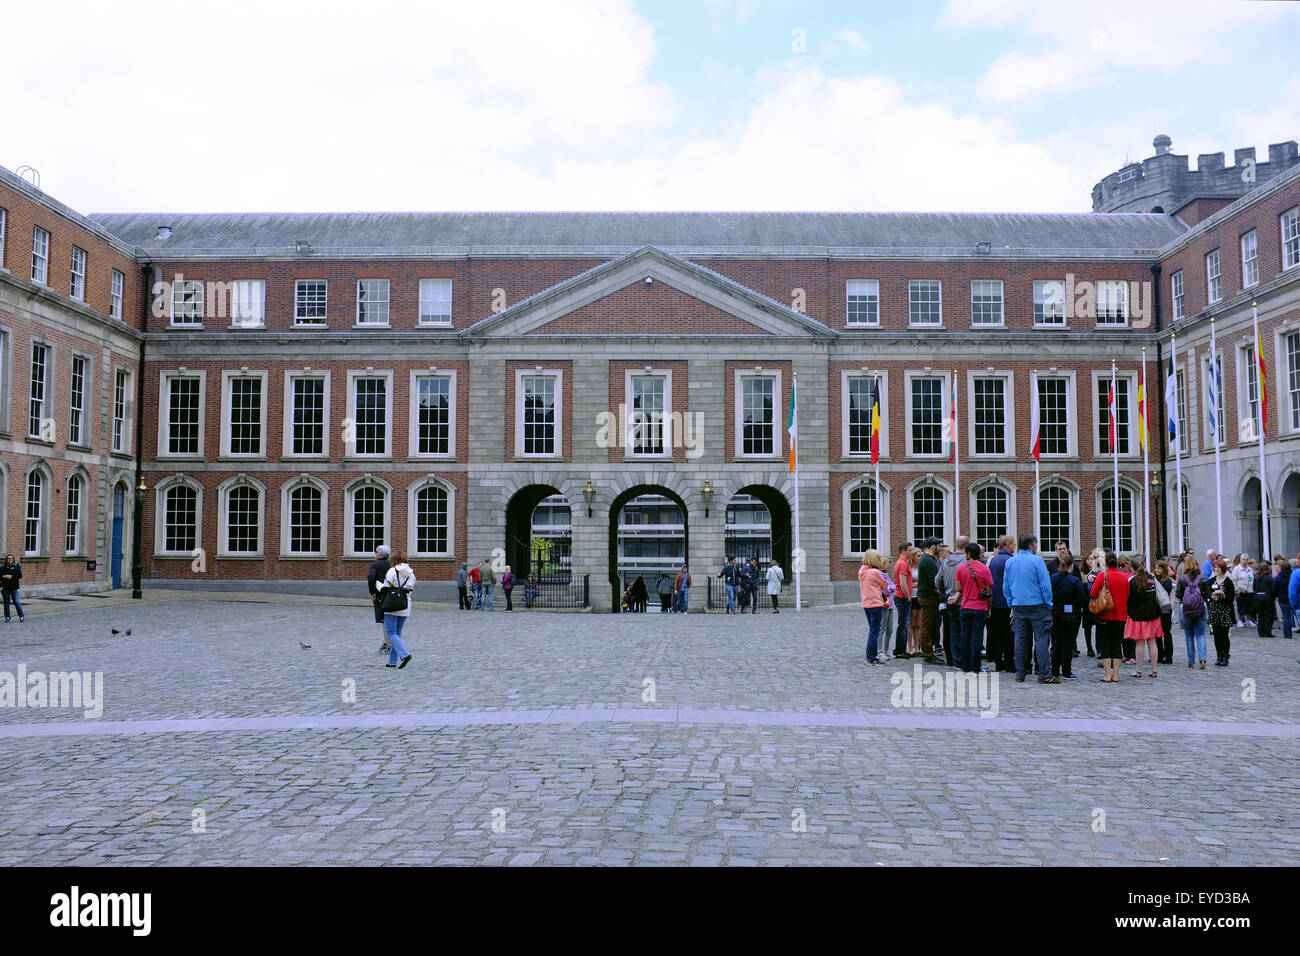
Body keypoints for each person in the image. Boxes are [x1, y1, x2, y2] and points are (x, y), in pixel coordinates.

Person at [1004, 533, 1055, 683]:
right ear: (1031, 546)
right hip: (1037, 605)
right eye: (1036, 544)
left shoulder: (1010, 562)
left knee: (1020, 640)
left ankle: (1020, 673)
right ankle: (1044, 674)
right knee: (1041, 639)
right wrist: (1048, 603)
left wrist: (1011, 602)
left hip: (1018, 605)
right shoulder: (1037, 561)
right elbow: (1045, 586)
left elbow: (1006, 586)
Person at [1090, 551, 1131, 683]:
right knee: (1117, 645)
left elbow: (1092, 593)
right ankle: (1116, 675)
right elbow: (1128, 596)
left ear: (1105, 563)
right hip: (1120, 616)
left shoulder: (1102, 575)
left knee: (1105, 644)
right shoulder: (1124, 577)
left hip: (1105, 615)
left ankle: (1107, 674)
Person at [953, 541, 993, 672]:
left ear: (969, 554)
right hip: (980, 607)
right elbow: (988, 591)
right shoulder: (985, 569)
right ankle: (975, 666)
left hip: (965, 606)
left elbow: (958, 588)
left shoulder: (961, 568)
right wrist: (989, 608)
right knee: (977, 638)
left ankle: (965, 665)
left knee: (965, 636)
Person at [1050, 554, 1087, 680]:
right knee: (1068, 643)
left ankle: (1054, 669)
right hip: (1071, 615)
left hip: (1055, 613)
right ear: (1071, 566)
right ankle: (1066, 670)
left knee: (1056, 643)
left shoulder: (1053, 578)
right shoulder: (1075, 581)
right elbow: (1081, 598)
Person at [1125, 557, 1162, 678]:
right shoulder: (1151, 578)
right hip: (1152, 614)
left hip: (1137, 615)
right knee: (1152, 642)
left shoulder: (1132, 581)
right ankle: (1154, 670)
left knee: (1139, 643)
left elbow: (1128, 599)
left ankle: (1139, 670)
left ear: (1132, 568)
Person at [378, 548, 415, 669]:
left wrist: (378, 585)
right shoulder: (411, 573)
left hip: (392, 604)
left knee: (390, 633)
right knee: (397, 634)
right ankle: (392, 662)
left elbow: (386, 588)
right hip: (405, 605)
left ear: (394, 560)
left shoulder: (392, 571)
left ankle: (405, 654)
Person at [936, 536, 968, 669]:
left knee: (952, 631)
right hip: (964, 600)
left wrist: (944, 592)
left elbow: (937, 581)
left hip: (949, 601)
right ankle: (963, 659)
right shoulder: (966, 561)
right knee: (964, 632)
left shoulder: (946, 560)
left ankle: (954, 660)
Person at [1175, 554, 1209, 668]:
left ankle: (1191, 661)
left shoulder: (1182, 579)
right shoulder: (1203, 579)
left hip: (1186, 609)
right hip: (1200, 608)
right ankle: (1203, 660)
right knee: (1200, 634)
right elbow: (1208, 594)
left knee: (1189, 635)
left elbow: (1178, 594)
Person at [987, 535, 1015, 671]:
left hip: (994, 601)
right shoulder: (1010, 560)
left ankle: (998, 662)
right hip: (1006, 602)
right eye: (1013, 544)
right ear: (1008, 545)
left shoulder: (993, 560)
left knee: (996, 633)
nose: (1014, 547)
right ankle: (1009, 662)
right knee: (1009, 634)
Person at [859, 550, 890, 664]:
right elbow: (885, 585)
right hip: (876, 604)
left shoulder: (862, 571)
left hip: (866, 604)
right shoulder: (875, 572)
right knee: (874, 632)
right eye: (877, 557)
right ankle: (871, 657)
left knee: (872, 631)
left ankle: (870, 656)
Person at [1202, 558, 1235, 666]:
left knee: (1224, 635)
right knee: (1216, 635)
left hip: (1224, 611)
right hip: (1214, 611)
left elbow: (1230, 598)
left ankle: (1225, 656)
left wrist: (1221, 597)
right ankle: (1219, 656)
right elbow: (1206, 593)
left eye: (1219, 568)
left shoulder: (1228, 581)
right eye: (1215, 567)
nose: (1217, 569)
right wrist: (1211, 596)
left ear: (1223, 568)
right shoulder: (1211, 580)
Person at [916, 537, 943, 664]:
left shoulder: (927, 559)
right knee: (927, 626)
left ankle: (928, 651)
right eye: (939, 546)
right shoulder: (928, 561)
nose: (940, 548)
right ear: (933, 546)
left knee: (930, 625)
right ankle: (927, 654)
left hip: (927, 596)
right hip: (928, 597)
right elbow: (935, 581)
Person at [366, 545, 392, 653]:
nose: (375, 553)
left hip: (380, 594)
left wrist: (372, 592)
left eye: (376, 552)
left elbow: (371, 578)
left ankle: (388, 644)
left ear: (380, 554)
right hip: (391, 594)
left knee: (384, 619)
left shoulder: (375, 565)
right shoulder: (391, 564)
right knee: (388, 618)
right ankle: (387, 642)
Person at [891, 543, 914, 659]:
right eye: (910, 550)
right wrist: (908, 596)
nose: (911, 552)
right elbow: (902, 582)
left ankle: (900, 649)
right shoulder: (903, 564)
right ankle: (900, 650)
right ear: (904, 551)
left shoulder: (901, 562)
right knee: (903, 625)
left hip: (901, 596)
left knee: (903, 624)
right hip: (902, 597)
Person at [1153, 560, 1176, 665]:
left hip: (1165, 609)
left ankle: (1168, 656)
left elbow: (1163, 593)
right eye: (1156, 568)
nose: (1157, 570)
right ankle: (1159, 655)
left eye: (1159, 568)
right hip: (1156, 609)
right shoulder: (1154, 579)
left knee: (1166, 633)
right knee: (1157, 633)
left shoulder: (1167, 581)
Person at [1231, 556, 1253, 627]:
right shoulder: (1237, 569)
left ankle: (1248, 620)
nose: (1245, 561)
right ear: (1240, 560)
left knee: (1249, 606)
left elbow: (1251, 578)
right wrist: (1236, 590)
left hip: (1249, 590)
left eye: (1247, 559)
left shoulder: (1250, 569)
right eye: (1243, 559)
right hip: (1240, 590)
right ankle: (1239, 620)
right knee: (1240, 605)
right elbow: (1233, 580)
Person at [1276, 555, 1293, 641]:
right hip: (1292, 597)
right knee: (1292, 616)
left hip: (1282, 598)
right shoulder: (1292, 576)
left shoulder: (1279, 577)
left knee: (1286, 616)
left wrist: (1276, 595)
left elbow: (1275, 587)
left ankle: (1287, 634)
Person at [1, 555, 23, 623]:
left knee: (16, 601)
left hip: (14, 588)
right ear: (6, 559)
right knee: (6, 603)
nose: (10, 559)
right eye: (8, 558)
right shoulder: (3, 567)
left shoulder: (17, 567)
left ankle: (21, 616)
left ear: (13, 559)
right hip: (5, 588)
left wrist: (12, 576)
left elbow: (20, 576)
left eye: (11, 558)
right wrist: (4, 576)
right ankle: (7, 617)